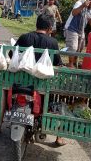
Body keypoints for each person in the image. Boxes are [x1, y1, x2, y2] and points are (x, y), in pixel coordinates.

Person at [11, 14, 65, 146]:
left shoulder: (24, 37)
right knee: (57, 103)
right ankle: (59, 137)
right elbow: (57, 63)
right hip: (43, 85)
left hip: (21, 83)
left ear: (37, 24)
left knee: (7, 94)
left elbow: (11, 55)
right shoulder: (52, 42)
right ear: (49, 27)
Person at [64, 0, 91, 68]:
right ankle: (70, 64)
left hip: (81, 30)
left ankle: (75, 62)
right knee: (73, 47)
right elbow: (74, 13)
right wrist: (83, 6)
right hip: (72, 28)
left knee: (80, 47)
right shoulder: (80, 2)